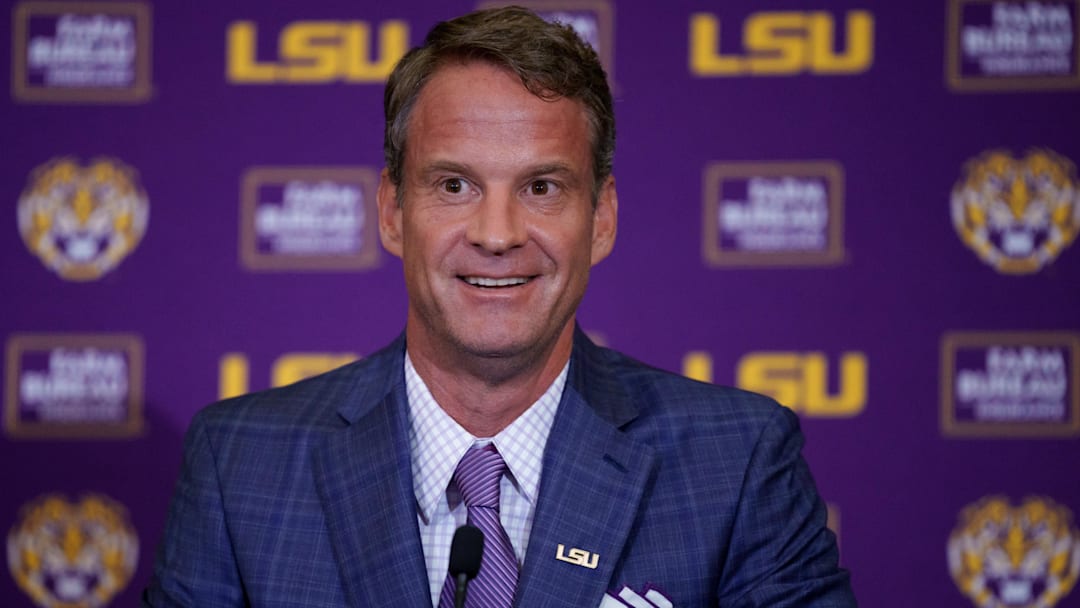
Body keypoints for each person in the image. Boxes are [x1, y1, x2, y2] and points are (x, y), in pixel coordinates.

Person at [144, 6, 856, 607]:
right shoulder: (241, 464)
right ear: (392, 211)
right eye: (454, 185)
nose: (497, 234)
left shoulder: (736, 462)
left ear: (601, 217)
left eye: (542, 187)